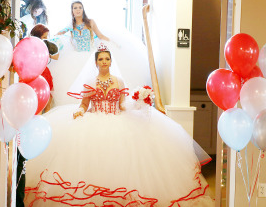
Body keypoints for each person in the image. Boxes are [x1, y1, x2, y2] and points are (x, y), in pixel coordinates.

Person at [24, 44, 214, 206]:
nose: (104, 62)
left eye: (107, 59)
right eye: (101, 59)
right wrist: (80, 111)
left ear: (111, 61)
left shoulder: (119, 81)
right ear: (96, 62)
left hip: (117, 120)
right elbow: (83, 104)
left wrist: (139, 104)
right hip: (94, 120)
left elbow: (122, 105)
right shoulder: (90, 82)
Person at [30, 24, 59, 112]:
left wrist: (47, 54)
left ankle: (47, 118)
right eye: (44, 37)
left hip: (44, 72)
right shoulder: (29, 45)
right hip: (34, 73)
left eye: (47, 36)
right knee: (35, 99)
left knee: (48, 99)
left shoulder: (46, 44)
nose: (46, 39)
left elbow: (57, 56)